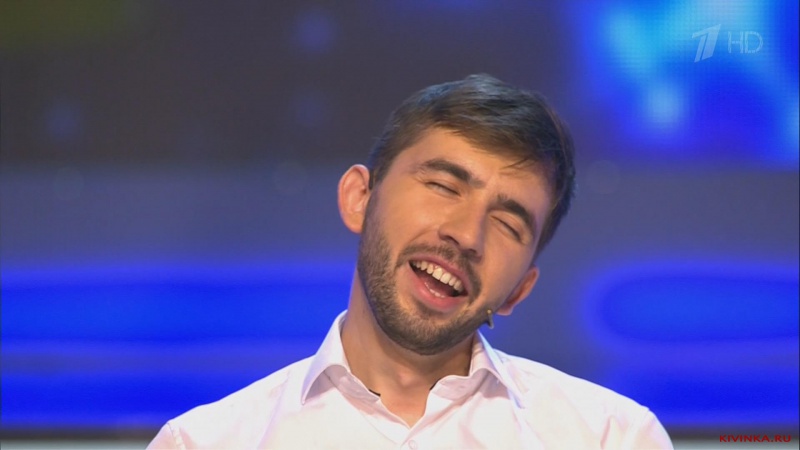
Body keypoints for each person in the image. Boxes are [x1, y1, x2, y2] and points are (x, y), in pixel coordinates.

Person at [147, 74, 673, 449]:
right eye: (444, 186)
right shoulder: (205, 442)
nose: (466, 235)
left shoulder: (611, 438)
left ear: (519, 289)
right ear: (360, 198)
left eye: (507, 224)